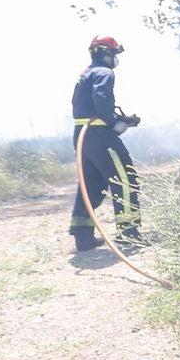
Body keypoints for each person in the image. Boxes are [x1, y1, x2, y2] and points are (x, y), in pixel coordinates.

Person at [69, 35, 143, 251]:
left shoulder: (86, 74)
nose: (116, 59)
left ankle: (83, 236)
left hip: (83, 134)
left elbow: (84, 105)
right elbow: (102, 101)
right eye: (114, 54)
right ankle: (129, 233)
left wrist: (121, 119)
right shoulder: (104, 72)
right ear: (106, 53)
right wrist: (114, 122)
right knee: (125, 178)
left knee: (92, 184)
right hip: (98, 134)